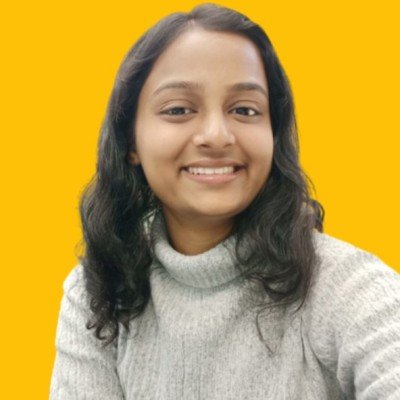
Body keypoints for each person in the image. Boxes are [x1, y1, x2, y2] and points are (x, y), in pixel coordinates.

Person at [49, 3, 400, 399]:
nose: (217, 136)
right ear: (131, 140)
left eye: (245, 110)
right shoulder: (97, 291)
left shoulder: (346, 286)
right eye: (178, 109)